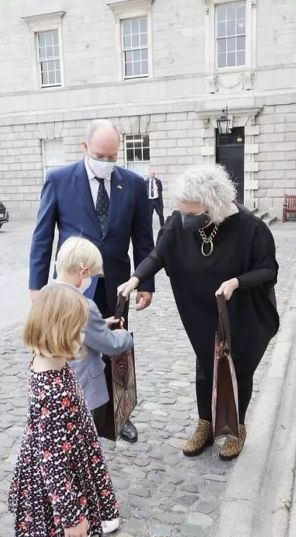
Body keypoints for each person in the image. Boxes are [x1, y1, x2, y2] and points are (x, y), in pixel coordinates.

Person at [118, 163, 279, 461]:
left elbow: (268, 269)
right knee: (205, 366)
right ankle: (205, 423)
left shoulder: (250, 228)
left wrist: (236, 282)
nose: (184, 219)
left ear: (213, 206)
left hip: (240, 313)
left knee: (237, 369)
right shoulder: (179, 222)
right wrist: (136, 278)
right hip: (201, 310)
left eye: (192, 213)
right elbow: (159, 254)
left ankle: (234, 428)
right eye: (182, 211)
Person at [29, 119, 154, 443]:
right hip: (72, 284)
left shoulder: (134, 184)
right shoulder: (58, 180)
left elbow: (143, 238)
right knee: (71, 349)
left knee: (113, 347)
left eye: (113, 156)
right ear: (85, 148)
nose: (108, 162)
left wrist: (146, 283)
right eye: (101, 155)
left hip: (116, 282)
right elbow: (42, 235)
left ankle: (118, 415)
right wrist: (36, 286)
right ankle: (71, 411)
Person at [9, 286, 120, 537]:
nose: (83, 338)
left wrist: (99, 326)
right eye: (79, 331)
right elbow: (54, 464)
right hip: (58, 486)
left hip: (60, 469)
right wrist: (71, 517)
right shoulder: (52, 392)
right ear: (60, 333)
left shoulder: (46, 360)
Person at [51, 236, 133, 534]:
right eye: (94, 276)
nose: (93, 282)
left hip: (53, 389)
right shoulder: (84, 305)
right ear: (83, 271)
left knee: (65, 451)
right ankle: (92, 510)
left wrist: (100, 324)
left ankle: (64, 506)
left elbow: (81, 332)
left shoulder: (47, 295)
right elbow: (110, 346)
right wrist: (126, 336)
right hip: (83, 388)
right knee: (85, 453)